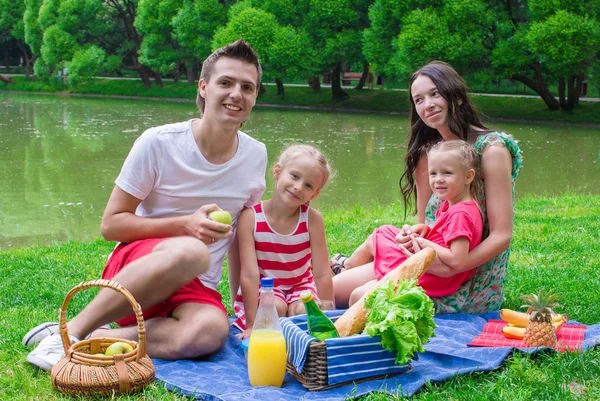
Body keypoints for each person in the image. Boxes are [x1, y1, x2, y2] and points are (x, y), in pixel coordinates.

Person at [23, 39, 268, 371]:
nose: (236, 94)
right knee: (191, 251)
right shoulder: (159, 142)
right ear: (204, 87)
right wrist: (185, 225)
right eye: (225, 82)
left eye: (247, 87)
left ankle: (98, 336)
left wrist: (247, 314)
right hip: (139, 274)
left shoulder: (255, 156)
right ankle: (70, 333)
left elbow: (241, 234)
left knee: (212, 331)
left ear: (254, 97)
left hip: (194, 289)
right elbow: (111, 224)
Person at [332, 61, 523, 313]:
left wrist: (455, 265)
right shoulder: (430, 155)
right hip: (429, 263)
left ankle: (353, 270)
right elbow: (428, 224)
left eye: (435, 93)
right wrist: (413, 235)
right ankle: (348, 267)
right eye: (418, 99)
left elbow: (501, 235)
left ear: (457, 96)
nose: (428, 104)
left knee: (361, 299)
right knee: (331, 291)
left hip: (467, 280)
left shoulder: (492, 150)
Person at [332, 140, 483, 305]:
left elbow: (457, 260)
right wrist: (425, 229)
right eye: (433, 173)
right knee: (384, 233)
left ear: (469, 176)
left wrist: (424, 243)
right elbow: (448, 237)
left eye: (447, 173)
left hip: (430, 276)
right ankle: (349, 267)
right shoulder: (454, 203)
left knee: (379, 238)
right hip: (429, 267)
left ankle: (349, 265)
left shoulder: (461, 213)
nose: (438, 180)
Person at [233, 144, 335, 339]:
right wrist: (253, 324)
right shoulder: (251, 217)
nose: (298, 187)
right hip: (266, 287)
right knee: (274, 312)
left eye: (308, 186)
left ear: (314, 194)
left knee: (306, 314)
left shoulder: (312, 220)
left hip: (301, 286)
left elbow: (321, 272)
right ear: (278, 171)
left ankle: (294, 318)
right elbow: (249, 274)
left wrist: (329, 313)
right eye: (295, 176)